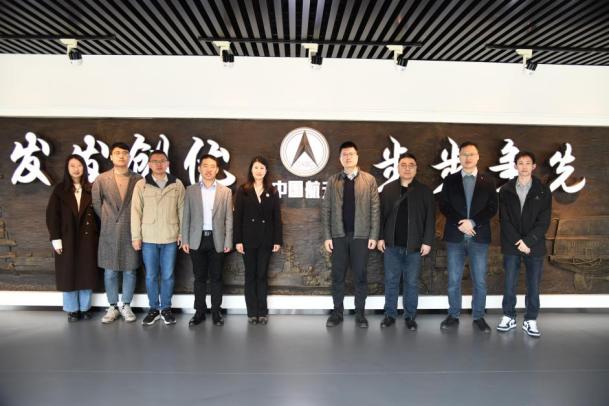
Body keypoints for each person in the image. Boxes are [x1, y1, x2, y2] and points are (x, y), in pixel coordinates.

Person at [439, 141, 497, 332]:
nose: (468, 157)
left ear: (478, 157)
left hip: (479, 237)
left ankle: (478, 316)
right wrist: (461, 223)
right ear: (459, 157)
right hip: (455, 237)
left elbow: (492, 208)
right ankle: (453, 315)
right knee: (453, 280)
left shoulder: (488, 181)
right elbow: (444, 205)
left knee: (480, 280)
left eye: (472, 154)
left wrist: (473, 222)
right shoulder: (450, 180)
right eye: (464, 154)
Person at [321, 141, 380, 328]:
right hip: (338, 236)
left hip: (361, 237)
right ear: (340, 158)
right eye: (344, 154)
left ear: (357, 156)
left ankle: (360, 314)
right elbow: (326, 210)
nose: (348, 157)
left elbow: (375, 209)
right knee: (337, 276)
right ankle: (337, 313)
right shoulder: (333, 181)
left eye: (351, 154)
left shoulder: (369, 180)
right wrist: (327, 236)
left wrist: (373, 236)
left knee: (360, 276)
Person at [497, 151, 552, 337]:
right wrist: (517, 241)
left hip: (534, 245)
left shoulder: (543, 190)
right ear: (515, 166)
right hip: (511, 244)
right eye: (520, 163)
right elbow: (504, 220)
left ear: (533, 166)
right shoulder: (505, 190)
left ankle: (530, 319)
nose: (524, 166)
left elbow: (544, 221)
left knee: (533, 285)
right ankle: (508, 316)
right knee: (509, 283)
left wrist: (528, 241)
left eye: (528, 163)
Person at [378, 153, 435, 330]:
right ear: (398, 167)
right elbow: (380, 216)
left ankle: (410, 316)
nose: (407, 168)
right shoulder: (388, 190)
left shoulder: (424, 191)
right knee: (391, 281)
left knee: (411, 282)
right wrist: (380, 237)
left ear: (416, 169)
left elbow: (430, 218)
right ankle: (390, 315)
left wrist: (427, 241)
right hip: (391, 246)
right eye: (403, 164)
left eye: (411, 165)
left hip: (415, 247)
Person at [131, 150, 185, 326]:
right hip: (149, 238)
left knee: (168, 275)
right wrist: (136, 236)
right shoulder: (142, 184)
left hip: (170, 237)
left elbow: (182, 210)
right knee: (151, 276)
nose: (159, 164)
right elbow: (135, 211)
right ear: (149, 164)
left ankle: (166, 308)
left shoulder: (177, 184)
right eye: (155, 161)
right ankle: (154, 309)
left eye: (162, 161)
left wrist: (182, 233)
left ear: (168, 163)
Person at [92, 142, 142, 324]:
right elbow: (96, 203)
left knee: (130, 270)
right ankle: (112, 306)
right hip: (109, 230)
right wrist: (109, 220)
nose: (121, 156)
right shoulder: (102, 179)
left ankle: (126, 305)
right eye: (117, 153)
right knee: (110, 271)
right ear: (111, 156)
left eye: (125, 153)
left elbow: (142, 204)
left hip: (131, 230)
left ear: (129, 156)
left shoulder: (138, 179)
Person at [46, 154, 99, 322]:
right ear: (67, 169)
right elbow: (52, 216)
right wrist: (55, 238)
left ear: (84, 167)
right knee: (67, 272)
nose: (76, 169)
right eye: (72, 166)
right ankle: (72, 309)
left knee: (86, 272)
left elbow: (99, 214)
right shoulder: (60, 190)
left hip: (88, 238)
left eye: (79, 165)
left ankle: (85, 308)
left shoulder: (91, 188)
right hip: (66, 237)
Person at [181, 154, 233, 327]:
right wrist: (185, 239)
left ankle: (216, 312)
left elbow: (229, 219)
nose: (209, 169)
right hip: (197, 239)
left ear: (217, 170)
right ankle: (199, 312)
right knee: (199, 278)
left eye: (212, 166)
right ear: (199, 168)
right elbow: (186, 217)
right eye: (205, 165)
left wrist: (228, 241)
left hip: (217, 240)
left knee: (217, 277)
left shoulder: (225, 191)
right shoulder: (190, 190)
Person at [234, 156, 282, 325]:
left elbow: (277, 217)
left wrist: (277, 240)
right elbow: (238, 217)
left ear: (266, 171)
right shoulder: (243, 190)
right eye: (256, 167)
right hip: (247, 239)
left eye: (262, 168)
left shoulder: (272, 191)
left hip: (266, 240)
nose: (259, 171)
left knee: (262, 275)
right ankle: (251, 312)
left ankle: (262, 312)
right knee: (250, 276)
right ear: (251, 170)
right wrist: (238, 240)